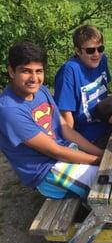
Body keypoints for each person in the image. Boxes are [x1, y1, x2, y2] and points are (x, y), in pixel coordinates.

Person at [0, 42, 103, 200]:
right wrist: (99, 161)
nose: (34, 78)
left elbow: (66, 129)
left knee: (111, 171)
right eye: (26, 71)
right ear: (11, 72)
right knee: (104, 183)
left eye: (39, 71)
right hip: (45, 170)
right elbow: (54, 151)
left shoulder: (41, 90)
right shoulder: (9, 109)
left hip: (63, 151)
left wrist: (101, 154)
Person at [54, 25, 111, 146]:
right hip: (87, 137)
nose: (96, 54)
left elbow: (105, 92)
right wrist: (71, 146)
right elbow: (65, 115)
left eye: (100, 48)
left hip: (108, 126)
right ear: (78, 51)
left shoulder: (102, 60)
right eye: (90, 50)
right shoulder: (69, 71)